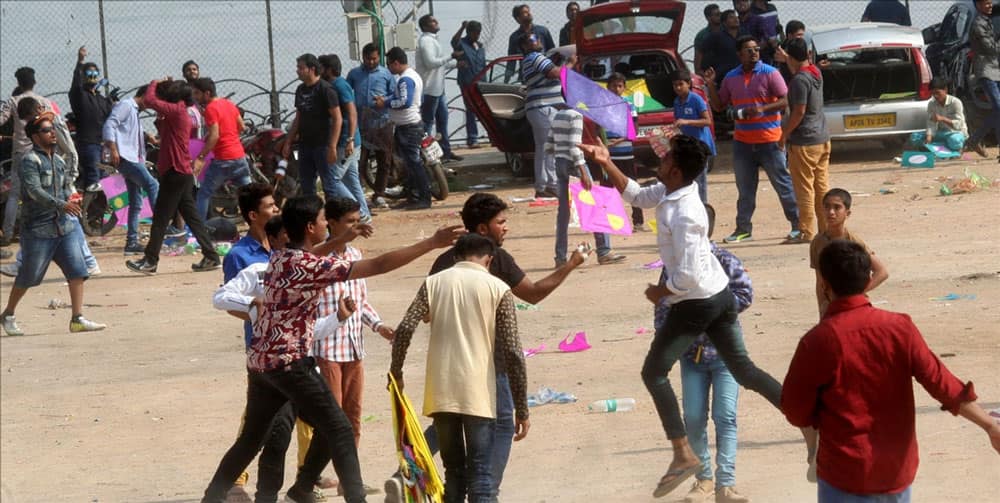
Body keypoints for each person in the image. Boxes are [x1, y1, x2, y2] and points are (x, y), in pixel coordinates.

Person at [579, 134, 810, 499]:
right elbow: (637, 196)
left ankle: (683, 454)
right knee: (745, 370)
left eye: (666, 156)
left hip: (698, 302)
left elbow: (685, 278)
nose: (661, 158)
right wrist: (606, 162)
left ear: (675, 168)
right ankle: (808, 424)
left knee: (653, 372)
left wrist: (660, 293)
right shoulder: (675, 193)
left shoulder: (683, 211)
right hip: (717, 297)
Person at [198, 194, 463, 503]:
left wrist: (343, 238)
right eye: (324, 221)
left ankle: (216, 497)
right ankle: (347, 496)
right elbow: (378, 265)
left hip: (261, 362)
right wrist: (431, 243)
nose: (327, 224)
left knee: (252, 439)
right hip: (288, 363)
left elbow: (310, 254)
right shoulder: (310, 265)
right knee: (340, 428)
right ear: (311, 226)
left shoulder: (282, 256)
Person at [382, 192, 591, 502]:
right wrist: (571, 264)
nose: (505, 228)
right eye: (500, 222)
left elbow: (413, 323)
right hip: (486, 374)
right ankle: (488, 492)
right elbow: (519, 332)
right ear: (483, 234)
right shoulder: (496, 273)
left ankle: (408, 471)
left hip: (441, 378)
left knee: (454, 468)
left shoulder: (441, 268)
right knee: (487, 461)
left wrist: (396, 371)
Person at [782, 239, 1000, 502]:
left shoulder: (817, 341)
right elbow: (942, 384)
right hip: (895, 472)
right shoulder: (899, 328)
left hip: (843, 472)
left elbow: (795, 410)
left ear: (825, 285)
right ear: (867, 282)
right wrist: (989, 426)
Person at [389, 233, 530, 503]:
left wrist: (397, 371)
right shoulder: (498, 289)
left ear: (455, 257)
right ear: (488, 260)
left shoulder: (433, 283)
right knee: (481, 475)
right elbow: (512, 350)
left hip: (441, 392)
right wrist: (521, 407)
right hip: (479, 393)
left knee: (453, 472)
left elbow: (405, 328)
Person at [655, 204, 751, 503]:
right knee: (694, 419)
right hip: (691, 358)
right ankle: (704, 480)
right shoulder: (673, 268)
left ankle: (726, 484)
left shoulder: (724, 260)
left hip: (725, 357)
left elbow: (745, 293)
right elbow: (662, 307)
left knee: (726, 417)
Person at [311, 197, 393, 496]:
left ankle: (349, 481)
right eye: (349, 222)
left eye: (357, 220)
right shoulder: (317, 260)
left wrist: (379, 325)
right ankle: (311, 477)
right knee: (331, 421)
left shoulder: (356, 255)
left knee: (353, 417)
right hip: (327, 350)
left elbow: (361, 302)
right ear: (330, 223)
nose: (355, 227)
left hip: (353, 350)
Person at [0, 112, 106, 336]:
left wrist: (71, 198)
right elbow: (34, 191)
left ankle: (77, 318)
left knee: (77, 271)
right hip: (38, 230)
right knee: (29, 276)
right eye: (47, 131)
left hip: (63, 227)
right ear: (35, 137)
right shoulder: (29, 161)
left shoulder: (58, 160)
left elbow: (65, 187)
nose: (52, 134)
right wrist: (61, 204)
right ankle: (8, 314)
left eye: (52, 130)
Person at [704, 36, 801, 244]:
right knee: (745, 190)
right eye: (749, 50)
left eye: (756, 49)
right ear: (739, 54)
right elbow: (719, 106)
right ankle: (743, 229)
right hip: (743, 143)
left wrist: (762, 109)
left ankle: (798, 224)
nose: (754, 53)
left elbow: (786, 100)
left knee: (783, 185)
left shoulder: (770, 73)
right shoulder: (731, 77)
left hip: (771, 141)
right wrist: (710, 85)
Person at [125, 79, 221, 275]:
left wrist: (153, 82)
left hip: (175, 172)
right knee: (192, 218)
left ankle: (150, 260)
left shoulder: (177, 110)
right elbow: (162, 127)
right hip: (179, 172)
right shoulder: (177, 112)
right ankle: (211, 256)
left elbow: (150, 99)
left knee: (160, 217)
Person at [0, 97, 101, 279]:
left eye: (31, 117)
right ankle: (89, 262)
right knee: (64, 220)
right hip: (52, 177)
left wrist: (69, 182)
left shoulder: (53, 123)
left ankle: (24, 264)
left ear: (38, 108)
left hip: (62, 179)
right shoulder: (41, 127)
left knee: (41, 220)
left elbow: (71, 152)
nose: (32, 122)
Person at [1, 67, 79, 247]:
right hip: (46, 154)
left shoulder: (13, 101)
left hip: (22, 153)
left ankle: (8, 233)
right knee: (48, 191)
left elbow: (1, 119)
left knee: (15, 195)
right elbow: (61, 134)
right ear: (34, 82)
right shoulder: (45, 103)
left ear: (18, 83)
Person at [548, 106, 625, 268]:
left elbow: (548, 145)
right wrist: (582, 170)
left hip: (559, 163)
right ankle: (604, 251)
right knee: (595, 206)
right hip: (574, 164)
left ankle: (560, 257)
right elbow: (574, 146)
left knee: (563, 212)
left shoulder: (557, 115)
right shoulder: (576, 116)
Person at [780, 37, 830, 244]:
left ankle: (807, 231)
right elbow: (801, 70)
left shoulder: (799, 81)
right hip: (821, 138)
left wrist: (784, 135)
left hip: (804, 141)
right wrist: (789, 59)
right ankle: (827, 228)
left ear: (791, 58)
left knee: (804, 189)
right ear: (808, 55)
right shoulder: (815, 72)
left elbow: (798, 111)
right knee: (821, 187)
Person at [810, 188, 888, 318]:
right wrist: (822, 308)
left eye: (837, 208)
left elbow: (882, 272)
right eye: (827, 207)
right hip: (832, 305)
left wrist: (858, 292)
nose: (831, 212)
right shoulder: (818, 242)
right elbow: (819, 281)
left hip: (854, 306)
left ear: (847, 213)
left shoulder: (853, 242)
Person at [102, 85, 161, 255]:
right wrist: (113, 149)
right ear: (144, 96)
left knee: (135, 202)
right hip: (126, 158)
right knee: (153, 185)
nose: (152, 104)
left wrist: (147, 135)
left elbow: (129, 129)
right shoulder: (126, 105)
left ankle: (131, 243)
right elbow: (109, 125)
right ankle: (161, 224)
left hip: (133, 157)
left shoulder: (134, 111)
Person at [319, 54, 373, 223]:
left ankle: (359, 214)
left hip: (345, 142)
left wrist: (349, 138)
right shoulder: (337, 85)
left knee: (332, 180)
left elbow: (352, 112)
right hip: (349, 141)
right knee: (351, 181)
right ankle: (365, 214)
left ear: (328, 69)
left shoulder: (339, 86)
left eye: (321, 67)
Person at [375, 47, 430, 210]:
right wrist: (385, 98)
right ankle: (412, 195)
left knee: (414, 164)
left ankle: (424, 198)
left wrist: (384, 103)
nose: (389, 68)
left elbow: (404, 102)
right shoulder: (411, 76)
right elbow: (399, 97)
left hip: (409, 126)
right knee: (410, 163)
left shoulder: (405, 79)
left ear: (396, 63)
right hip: (407, 125)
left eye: (390, 64)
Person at [283, 53, 343, 201]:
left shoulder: (326, 89)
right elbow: (298, 118)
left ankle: (332, 219)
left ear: (311, 69)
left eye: (301, 68)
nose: (298, 71)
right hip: (305, 145)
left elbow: (337, 118)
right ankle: (312, 217)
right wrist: (288, 141)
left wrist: (333, 146)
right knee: (307, 186)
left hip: (323, 145)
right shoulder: (300, 90)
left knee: (329, 185)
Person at [191, 78, 250, 220]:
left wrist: (200, 158)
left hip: (223, 159)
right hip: (239, 157)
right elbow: (241, 127)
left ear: (207, 93)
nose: (195, 97)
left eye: (197, 93)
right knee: (250, 195)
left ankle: (199, 230)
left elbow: (215, 136)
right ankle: (260, 225)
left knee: (204, 194)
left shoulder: (211, 109)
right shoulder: (229, 104)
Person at [520, 31, 568, 198]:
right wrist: (570, 64)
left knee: (543, 147)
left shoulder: (533, 59)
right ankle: (551, 184)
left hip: (539, 107)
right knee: (549, 147)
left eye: (537, 38)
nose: (538, 40)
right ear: (526, 46)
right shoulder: (535, 57)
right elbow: (554, 73)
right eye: (533, 39)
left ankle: (543, 185)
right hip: (543, 106)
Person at [346, 43, 395, 207]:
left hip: (382, 122)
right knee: (359, 160)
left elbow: (394, 94)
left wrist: (385, 101)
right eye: (368, 59)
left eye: (374, 59)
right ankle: (357, 194)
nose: (371, 62)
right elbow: (346, 93)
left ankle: (379, 194)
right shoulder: (354, 74)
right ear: (363, 57)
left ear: (378, 57)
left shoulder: (386, 74)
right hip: (361, 124)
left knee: (384, 159)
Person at [416, 15, 461, 163]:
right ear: (426, 26)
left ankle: (446, 152)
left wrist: (455, 64)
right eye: (433, 22)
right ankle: (427, 155)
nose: (437, 23)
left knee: (443, 120)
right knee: (428, 122)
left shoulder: (433, 39)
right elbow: (430, 63)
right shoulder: (426, 41)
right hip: (429, 89)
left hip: (438, 89)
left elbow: (439, 64)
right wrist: (451, 56)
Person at [69, 46, 113, 191]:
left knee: (107, 180)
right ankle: (86, 210)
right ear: (83, 75)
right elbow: (76, 84)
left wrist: (112, 102)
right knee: (93, 181)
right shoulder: (79, 95)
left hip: (104, 145)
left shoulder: (101, 98)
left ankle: (104, 213)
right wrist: (80, 61)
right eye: (89, 72)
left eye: (95, 72)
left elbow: (110, 116)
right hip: (89, 144)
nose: (93, 75)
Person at [605, 72, 645, 227]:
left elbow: (634, 131)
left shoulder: (628, 105)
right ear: (608, 87)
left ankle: (638, 221)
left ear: (624, 88)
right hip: (609, 155)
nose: (616, 89)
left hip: (626, 153)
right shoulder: (602, 105)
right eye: (613, 85)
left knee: (632, 187)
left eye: (619, 86)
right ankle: (609, 222)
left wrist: (619, 141)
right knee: (607, 188)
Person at [670, 69, 715, 204]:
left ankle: (704, 212)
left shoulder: (696, 99)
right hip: (687, 148)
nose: (678, 88)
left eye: (680, 84)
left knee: (700, 183)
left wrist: (687, 121)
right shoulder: (677, 101)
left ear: (688, 84)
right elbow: (678, 123)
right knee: (689, 183)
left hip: (700, 147)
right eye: (675, 85)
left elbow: (707, 121)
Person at [966, 0, 999, 160]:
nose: (990, 5)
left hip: (996, 69)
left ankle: (974, 140)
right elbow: (991, 48)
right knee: (998, 108)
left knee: (998, 110)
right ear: (978, 5)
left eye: (990, 2)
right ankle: (974, 139)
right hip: (986, 71)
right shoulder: (978, 24)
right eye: (986, 3)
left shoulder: (988, 20)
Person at [452, 21, 487, 148]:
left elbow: (482, 65)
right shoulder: (461, 44)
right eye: (474, 33)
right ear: (469, 32)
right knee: (471, 110)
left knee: (485, 110)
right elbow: (454, 41)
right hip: (467, 83)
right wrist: (462, 27)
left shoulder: (480, 46)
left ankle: (491, 134)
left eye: (478, 33)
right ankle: (473, 138)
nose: (477, 36)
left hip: (481, 83)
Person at [910, 77, 968, 152]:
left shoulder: (956, 102)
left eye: (937, 93)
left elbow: (959, 125)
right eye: (933, 93)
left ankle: (958, 147)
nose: (935, 96)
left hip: (955, 133)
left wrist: (943, 119)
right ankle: (940, 147)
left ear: (945, 90)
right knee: (915, 137)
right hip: (940, 133)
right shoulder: (931, 104)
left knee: (955, 141)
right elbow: (930, 122)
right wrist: (929, 136)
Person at [505, 4, 555, 83]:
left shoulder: (542, 31)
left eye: (529, 11)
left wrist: (553, 69)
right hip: (527, 77)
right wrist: (506, 82)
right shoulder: (514, 37)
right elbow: (511, 61)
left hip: (545, 73)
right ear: (518, 19)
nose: (529, 14)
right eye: (525, 12)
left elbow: (552, 51)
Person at [700, 10, 741, 83]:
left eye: (736, 17)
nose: (736, 19)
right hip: (724, 77)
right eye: (731, 17)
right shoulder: (716, 37)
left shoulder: (744, 34)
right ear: (724, 22)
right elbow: (703, 53)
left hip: (743, 74)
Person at [693, 4, 723, 76]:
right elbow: (698, 59)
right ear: (708, 18)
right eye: (717, 14)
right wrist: (702, 74)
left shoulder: (727, 30)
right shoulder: (702, 36)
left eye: (720, 13)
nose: (720, 16)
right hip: (710, 73)